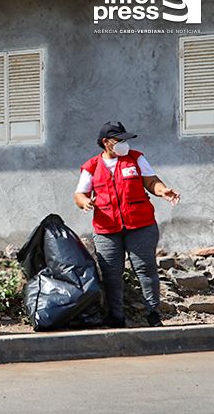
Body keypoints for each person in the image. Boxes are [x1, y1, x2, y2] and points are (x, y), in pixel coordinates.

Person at [74, 121, 181, 328]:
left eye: (126, 140)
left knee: (145, 269)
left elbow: (151, 181)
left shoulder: (136, 159)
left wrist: (163, 191)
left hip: (140, 225)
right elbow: (80, 194)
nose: (125, 144)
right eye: (119, 140)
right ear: (106, 143)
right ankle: (116, 316)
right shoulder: (92, 166)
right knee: (111, 274)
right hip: (107, 229)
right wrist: (85, 202)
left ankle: (153, 314)